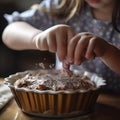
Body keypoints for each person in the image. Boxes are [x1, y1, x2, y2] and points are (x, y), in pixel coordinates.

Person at [2, 0, 120, 93]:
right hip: (67, 100)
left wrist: (107, 52)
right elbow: (9, 32)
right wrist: (36, 38)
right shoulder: (63, 5)